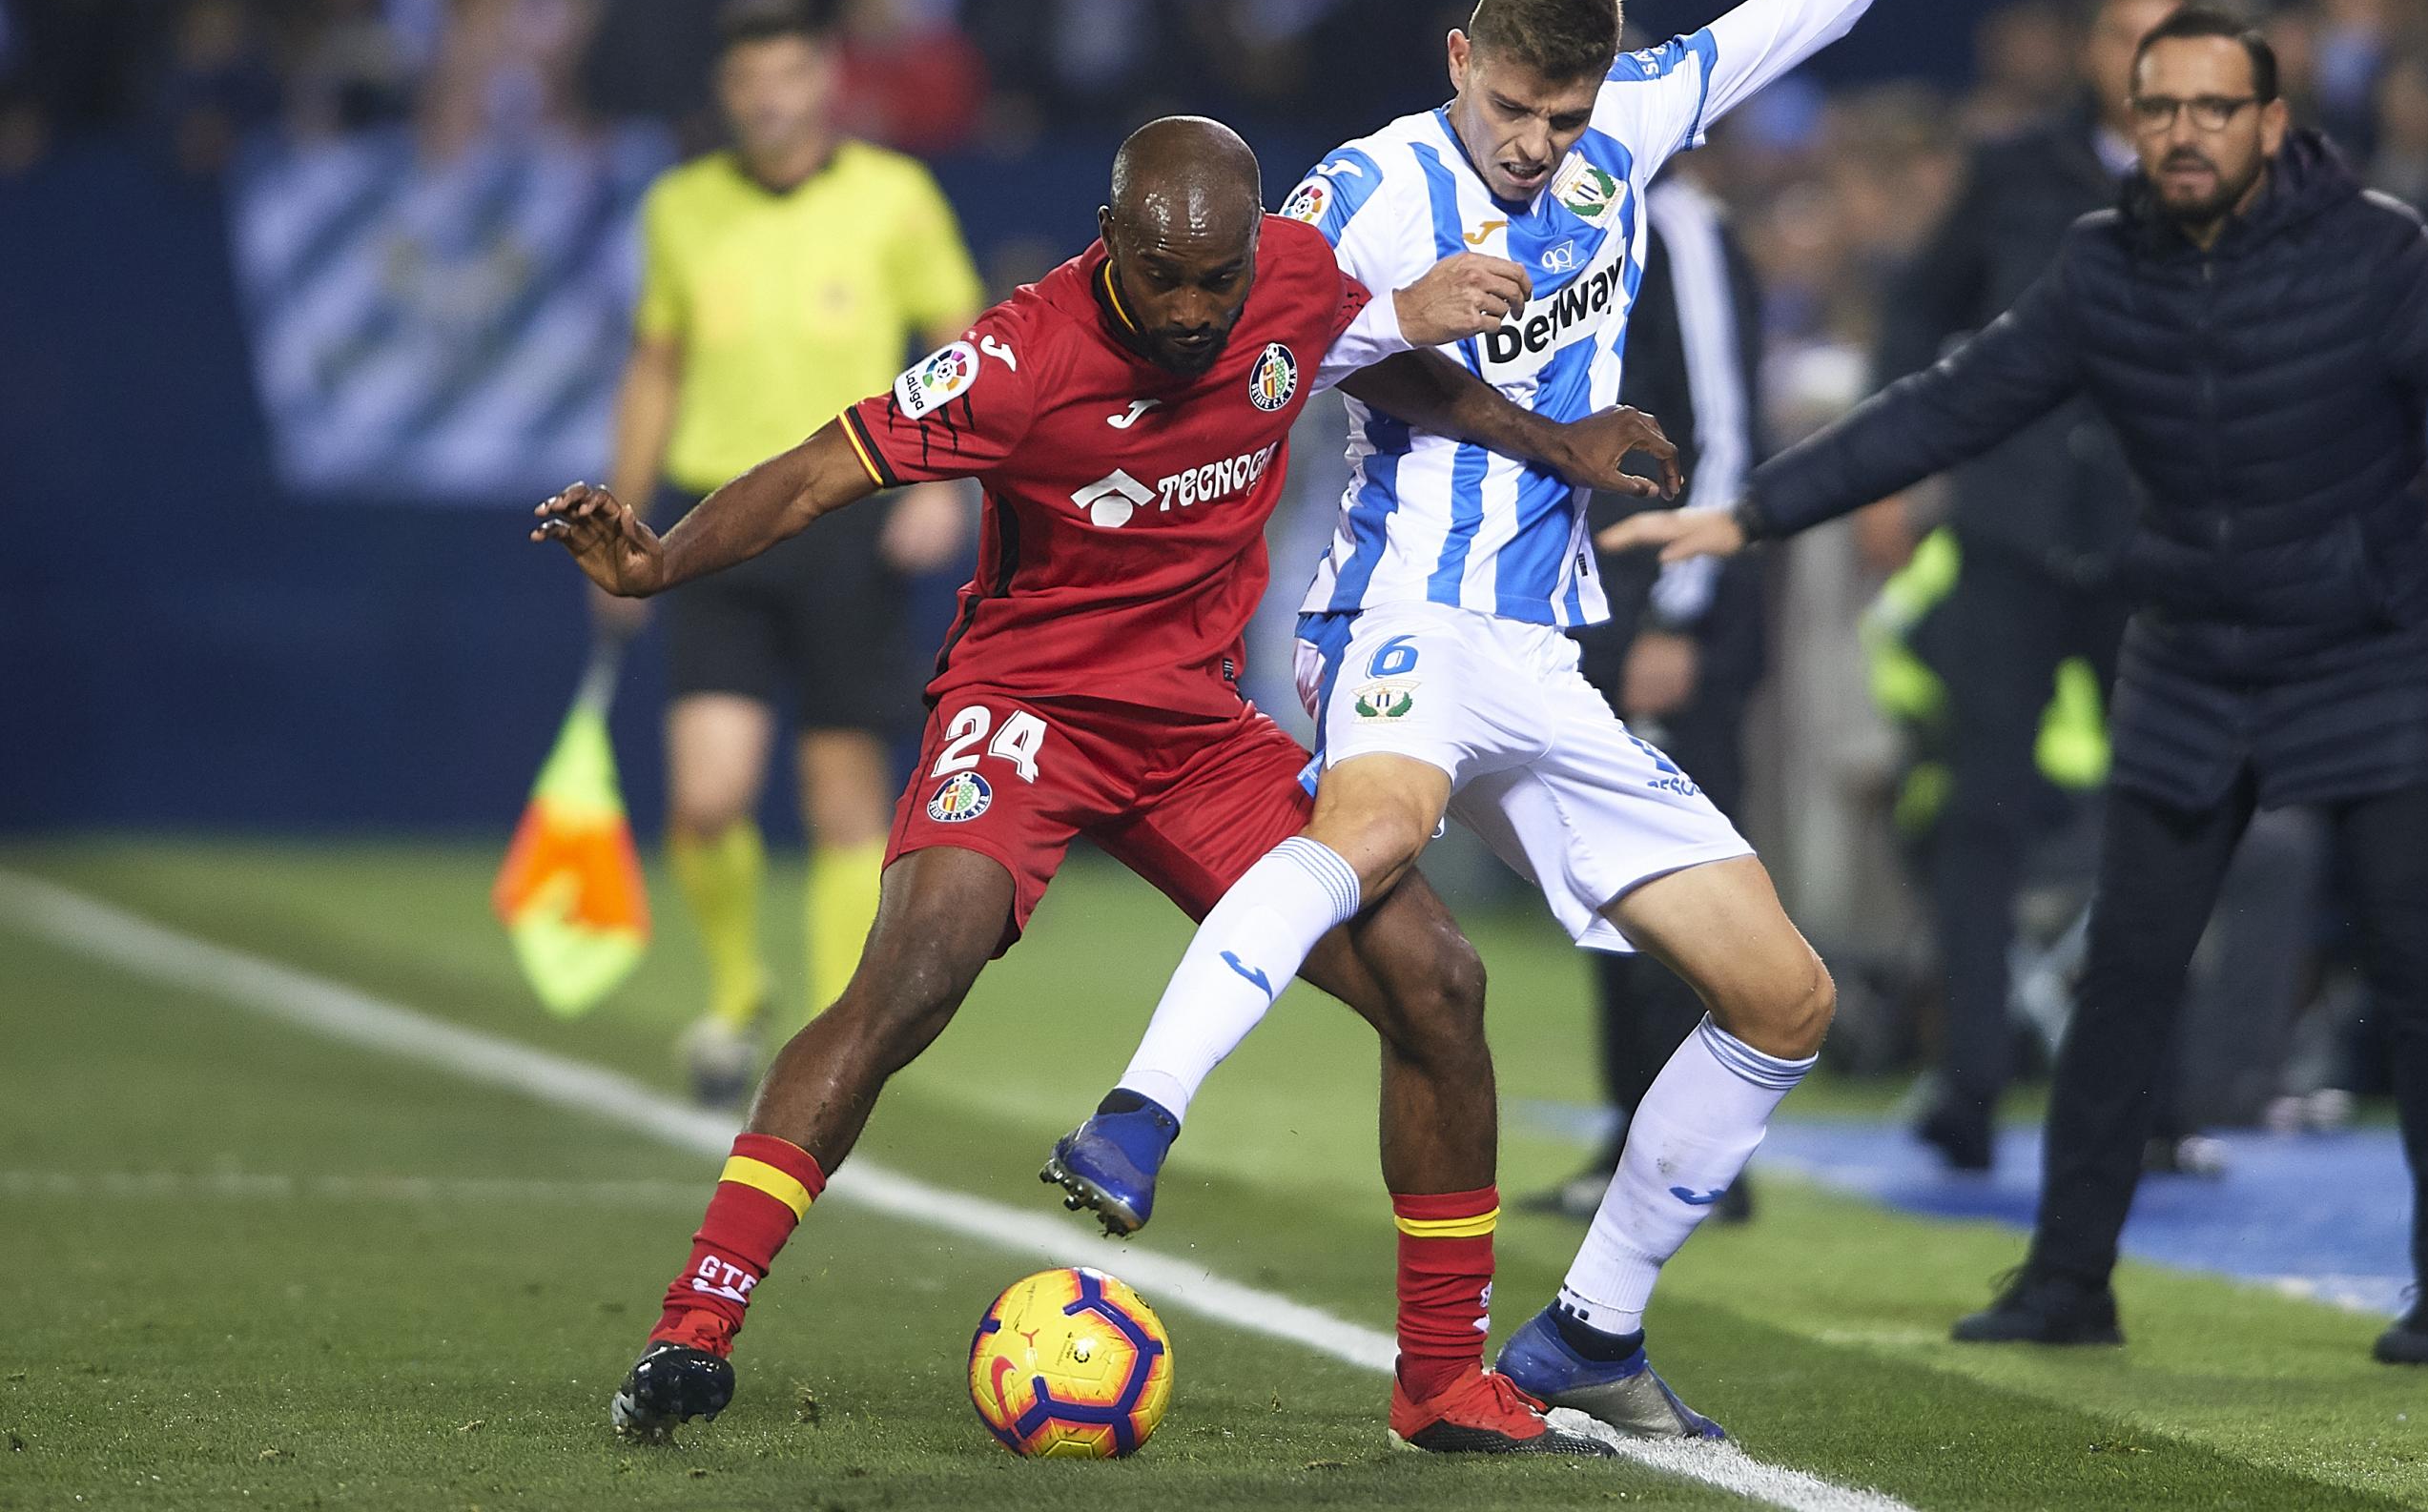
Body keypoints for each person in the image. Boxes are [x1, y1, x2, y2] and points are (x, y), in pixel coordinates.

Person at [1042, 0, 2075, 1441]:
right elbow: (1248, 364)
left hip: (1546, 652)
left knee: (1784, 991)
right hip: (1394, 624)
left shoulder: (1632, 128)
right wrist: (1381, 321)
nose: (1537, 144)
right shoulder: (1361, 190)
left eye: (1564, 112)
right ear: (1461, 60)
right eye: (1517, 108)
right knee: (1365, 831)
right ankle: (1137, 1111)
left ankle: (1590, 1326)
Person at [1603, 9, 2428, 1366]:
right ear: (2134, 116)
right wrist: (1754, 515)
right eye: (2163, 108)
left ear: (2273, 126)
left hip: (2372, 651)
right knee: (2126, 970)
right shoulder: (2105, 269)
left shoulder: (2381, 250)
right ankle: (2067, 1281)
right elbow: (1956, 402)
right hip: (2195, 652)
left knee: (2417, 964)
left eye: (2217, 109)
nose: (2185, 133)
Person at [538, 116, 1675, 1455]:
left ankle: (1437, 1383)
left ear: (1255, 245)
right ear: (1110, 240)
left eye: (1217, 278)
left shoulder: (1296, 277)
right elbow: (816, 474)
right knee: (916, 974)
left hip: (1196, 731)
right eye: (1161, 276)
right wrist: (663, 562)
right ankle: (694, 1325)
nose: (1194, 312)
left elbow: (1375, 365)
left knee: (1438, 980)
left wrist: (1547, 440)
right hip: (1028, 709)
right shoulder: (1019, 357)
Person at [605, 0, 984, 1105]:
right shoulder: (678, 206)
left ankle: (831, 1032)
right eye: (746, 82)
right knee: (709, 795)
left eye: (786, 76)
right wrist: (626, 523)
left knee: (841, 796)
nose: (767, 101)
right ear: (725, 92)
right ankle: (733, 994)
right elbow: (655, 364)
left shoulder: (894, 196)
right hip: (714, 515)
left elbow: (959, 345)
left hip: (846, 515)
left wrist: (945, 482)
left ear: (825, 78)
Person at [1878, 0, 2204, 1172]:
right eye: (2125, 34)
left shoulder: (2226, 179)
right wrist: (1902, 451)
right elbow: (1919, 304)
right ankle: (1967, 1083)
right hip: (2010, 527)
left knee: (2165, 812)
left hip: (2154, 542)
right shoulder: (2016, 169)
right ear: (2086, 48)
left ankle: (2155, 1099)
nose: (2144, 62)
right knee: (1980, 812)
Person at [1531, 170, 1767, 1225]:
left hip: (1671, 599)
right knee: (1610, 882)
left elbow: (1726, 424)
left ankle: (1705, 1158)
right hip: (1595, 598)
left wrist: (1682, 612)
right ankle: (1635, 1133)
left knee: (1685, 881)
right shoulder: (1581, 226)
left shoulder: (1684, 226)